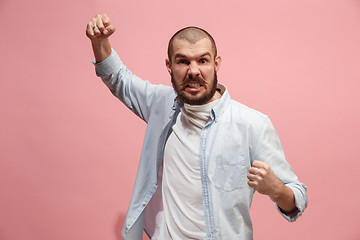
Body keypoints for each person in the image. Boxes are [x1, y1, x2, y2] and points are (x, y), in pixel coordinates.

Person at [86, 13, 308, 240]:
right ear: (169, 66)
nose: (193, 71)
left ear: (216, 63)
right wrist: (99, 41)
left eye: (202, 60)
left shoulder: (252, 124)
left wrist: (277, 189)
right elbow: (118, 79)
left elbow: (297, 198)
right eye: (183, 61)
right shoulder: (160, 104)